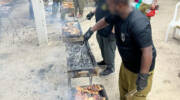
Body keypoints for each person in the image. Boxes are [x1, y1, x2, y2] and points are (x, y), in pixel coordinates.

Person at [84, 0, 156, 99]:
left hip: (140, 69)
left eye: (109, 5)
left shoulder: (138, 22)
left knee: (135, 97)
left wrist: (143, 75)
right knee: (124, 92)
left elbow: (147, 51)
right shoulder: (118, 13)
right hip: (126, 64)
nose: (106, 7)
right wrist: (91, 30)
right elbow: (105, 20)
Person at [86, 0, 116, 76]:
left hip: (109, 30)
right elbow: (100, 6)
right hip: (100, 27)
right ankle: (105, 61)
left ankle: (110, 68)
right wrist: (92, 13)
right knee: (102, 46)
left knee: (108, 49)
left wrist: (113, 31)